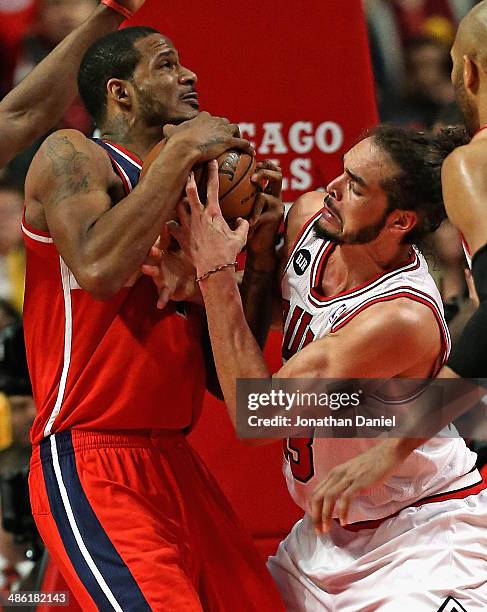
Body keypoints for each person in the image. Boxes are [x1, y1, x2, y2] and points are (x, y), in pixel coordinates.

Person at [163, 125, 487, 610]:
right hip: (323, 540)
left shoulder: (400, 317)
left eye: (356, 186)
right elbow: (286, 308)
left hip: (421, 538)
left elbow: (258, 415)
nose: (331, 188)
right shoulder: (311, 220)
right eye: (343, 171)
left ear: (399, 222)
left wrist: (212, 274)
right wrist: (221, 272)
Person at [22, 25, 284, 611]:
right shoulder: (72, 155)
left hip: (175, 462)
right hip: (91, 458)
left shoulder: (191, 190)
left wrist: (261, 257)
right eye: (166, 65)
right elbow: (98, 266)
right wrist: (187, 150)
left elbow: (228, 385)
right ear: (119, 93)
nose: (188, 76)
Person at [298, 0, 487, 528]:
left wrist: (392, 447)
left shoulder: (475, 163)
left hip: (418, 521)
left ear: (466, 71)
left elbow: (261, 408)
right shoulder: (311, 230)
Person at [0, 0, 146, 171]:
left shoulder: (128, 61)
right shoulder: (20, 56)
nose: (65, 14)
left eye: (74, 3)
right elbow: (25, 115)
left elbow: (25, 116)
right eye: (57, 4)